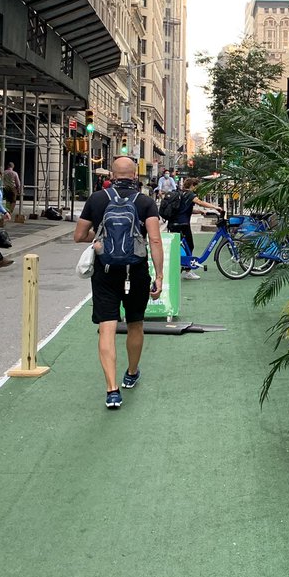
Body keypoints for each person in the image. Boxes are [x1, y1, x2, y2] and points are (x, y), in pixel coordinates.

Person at [74, 156, 164, 410]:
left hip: (106, 270)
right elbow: (155, 241)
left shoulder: (97, 199)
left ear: (111, 175)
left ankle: (112, 390)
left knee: (107, 327)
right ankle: (131, 373)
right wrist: (158, 276)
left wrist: (98, 237)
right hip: (135, 271)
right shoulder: (146, 202)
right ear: (135, 175)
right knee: (135, 324)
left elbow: (79, 235)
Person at [172, 177, 222, 279]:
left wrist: (199, 212)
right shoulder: (190, 194)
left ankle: (184, 267)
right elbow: (199, 202)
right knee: (190, 246)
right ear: (192, 186)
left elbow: (185, 210)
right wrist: (215, 207)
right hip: (183, 225)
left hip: (175, 223)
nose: (196, 189)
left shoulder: (181, 193)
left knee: (181, 247)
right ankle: (187, 271)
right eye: (196, 186)